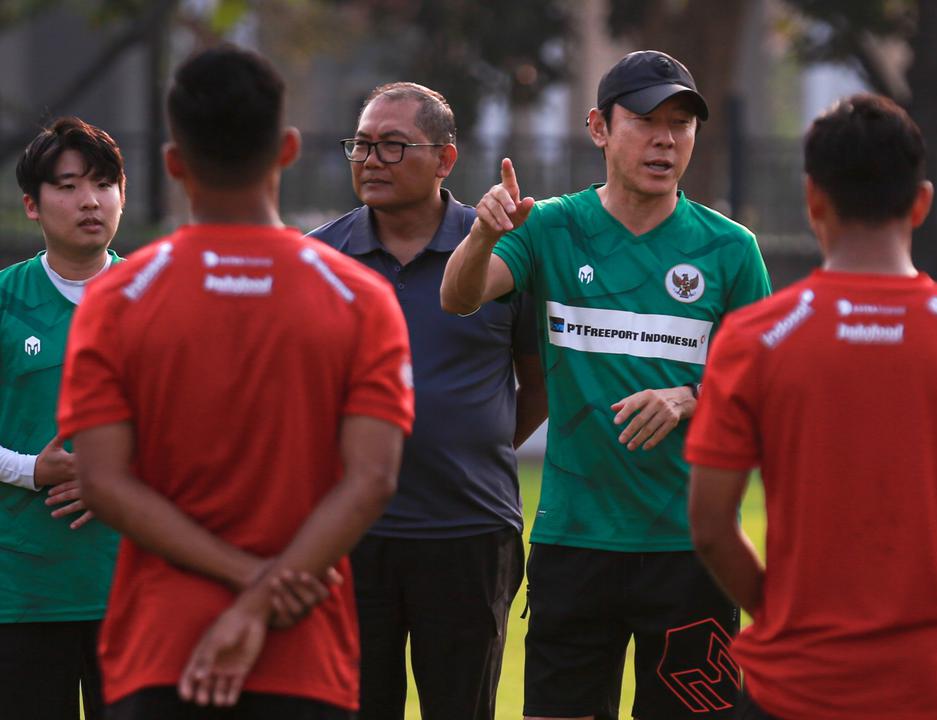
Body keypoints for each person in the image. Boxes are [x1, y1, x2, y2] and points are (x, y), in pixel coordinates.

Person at [57, 45, 415, 719]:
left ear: (173, 162)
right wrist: (263, 594)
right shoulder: (360, 299)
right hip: (303, 653)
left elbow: (102, 482)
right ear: (288, 149)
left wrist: (246, 582)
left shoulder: (117, 299)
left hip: (161, 654)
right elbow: (372, 480)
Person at [684, 94, 937, 720]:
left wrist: (780, 614)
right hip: (933, 688)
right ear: (922, 203)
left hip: (795, 687)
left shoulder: (754, 340)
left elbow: (711, 523)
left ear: (813, 200)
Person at [441, 50, 772, 720]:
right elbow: (459, 296)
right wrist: (481, 235)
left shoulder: (730, 248)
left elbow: (767, 388)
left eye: (681, 124)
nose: (665, 140)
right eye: (646, 120)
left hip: (692, 549)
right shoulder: (550, 226)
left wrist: (689, 397)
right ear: (598, 127)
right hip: (575, 542)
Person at [309, 81, 546, 720]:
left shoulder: (500, 247)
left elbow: (539, 380)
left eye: (392, 145)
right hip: (349, 535)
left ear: (445, 159)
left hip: (470, 531)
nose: (370, 160)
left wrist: (475, 444)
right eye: (361, 145)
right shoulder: (319, 259)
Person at [0, 116, 126, 720]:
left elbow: (209, 434)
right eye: (69, 186)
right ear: (32, 204)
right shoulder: (5, 300)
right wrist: (31, 470)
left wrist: (119, 476)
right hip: (22, 592)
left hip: (136, 587)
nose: (90, 201)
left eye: (103, 184)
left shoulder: (158, 298)